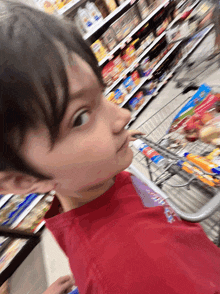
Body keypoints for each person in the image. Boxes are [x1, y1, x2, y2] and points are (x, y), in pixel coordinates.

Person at [0, 1, 220, 293]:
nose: (123, 116)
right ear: (24, 180)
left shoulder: (92, 184)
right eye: (80, 117)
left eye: (101, 94)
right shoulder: (141, 272)